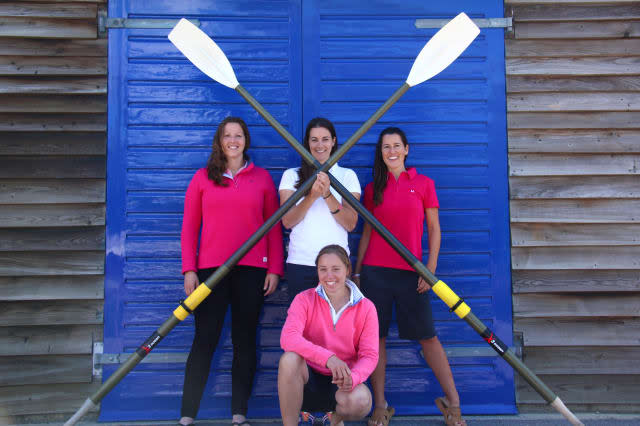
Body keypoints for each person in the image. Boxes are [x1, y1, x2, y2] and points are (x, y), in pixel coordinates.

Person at [354, 127, 466, 426]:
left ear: (406, 149)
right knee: (375, 341)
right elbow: (367, 232)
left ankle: (453, 404)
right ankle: (380, 406)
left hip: (411, 273)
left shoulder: (425, 184)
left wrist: (429, 271)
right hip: (376, 274)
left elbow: (434, 229)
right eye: (385, 147)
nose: (391, 151)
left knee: (428, 337)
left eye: (396, 146)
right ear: (381, 152)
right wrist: (357, 271)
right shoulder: (372, 188)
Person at [179, 117, 284, 426]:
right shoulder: (202, 178)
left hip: (252, 270)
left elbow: (274, 229)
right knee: (204, 340)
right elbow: (189, 228)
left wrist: (275, 268)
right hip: (211, 271)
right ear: (220, 141)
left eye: (239, 135)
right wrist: (189, 269)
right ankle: (187, 415)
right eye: (228, 136)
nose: (234, 141)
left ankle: (239, 414)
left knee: (245, 341)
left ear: (246, 141)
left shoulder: (262, 179)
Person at [278, 245, 379, 426]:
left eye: (336, 269)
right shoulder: (304, 299)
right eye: (323, 269)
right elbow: (288, 337)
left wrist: (353, 377)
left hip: (341, 383)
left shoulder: (366, 307)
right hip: (307, 380)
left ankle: (335, 419)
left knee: (362, 401)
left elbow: (370, 355)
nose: (329, 276)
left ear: (347, 270)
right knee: (289, 359)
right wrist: (328, 358)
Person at [278, 117, 361, 303]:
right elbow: (287, 221)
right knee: (303, 327)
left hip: (336, 265)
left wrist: (327, 196)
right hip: (301, 263)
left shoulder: (348, 176)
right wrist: (312, 196)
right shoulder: (291, 176)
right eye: (314, 140)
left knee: (335, 327)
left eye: (325, 139)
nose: (319, 145)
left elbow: (350, 223)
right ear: (307, 143)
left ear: (333, 141)